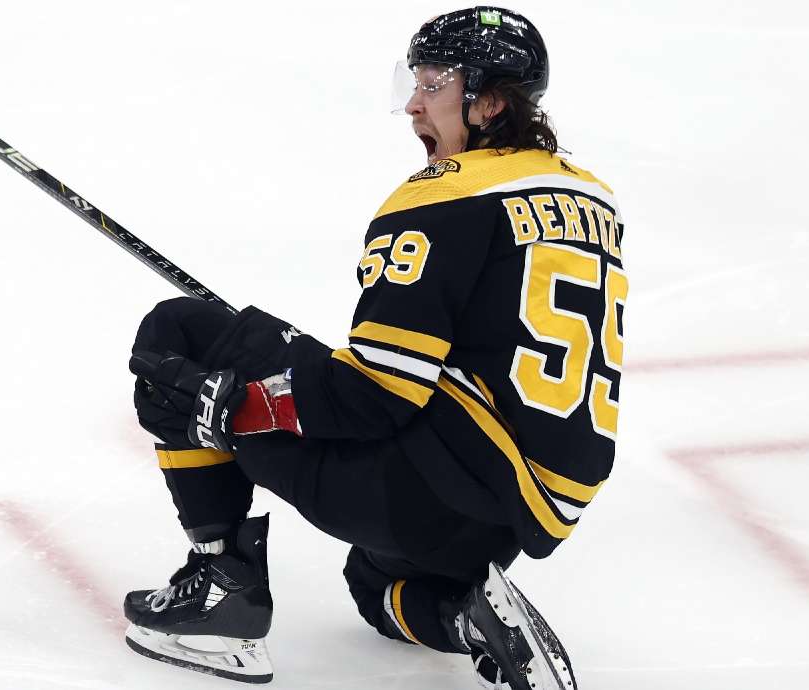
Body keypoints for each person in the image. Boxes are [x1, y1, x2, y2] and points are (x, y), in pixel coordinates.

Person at [122, 6, 627, 689]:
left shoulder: (446, 196)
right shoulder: (592, 198)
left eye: (435, 84)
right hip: (504, 521)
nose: (414, 104)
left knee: (180, 334)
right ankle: (468, 620)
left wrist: (236, 406)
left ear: (493, 102)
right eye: (413, 82)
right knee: (373, 585)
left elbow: (375, 393)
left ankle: (222, 594)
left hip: (418, 487)